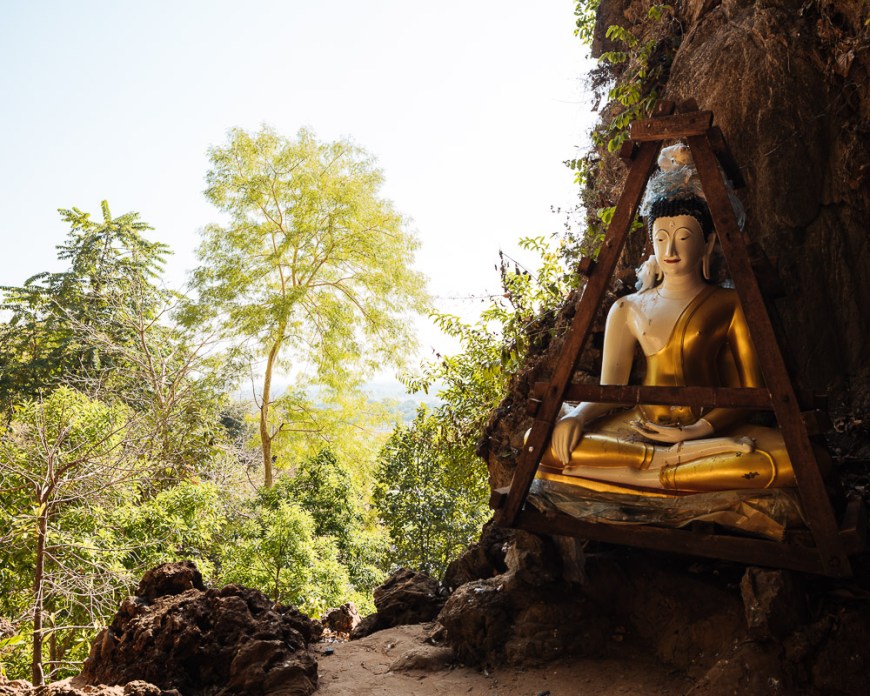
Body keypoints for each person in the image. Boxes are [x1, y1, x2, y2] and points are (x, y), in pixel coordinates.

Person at [539, 144, 795, 494]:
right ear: (651, 245)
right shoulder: (627, 308)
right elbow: (611, 389)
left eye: (683, 237)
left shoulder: (730, 303)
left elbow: (749, 392)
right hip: (639, 426)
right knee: (536, 443)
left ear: (706, 245)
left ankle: (638, 477)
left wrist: (696, 431)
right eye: (661, 238)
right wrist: (577, 416)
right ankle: (662, 470)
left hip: (708, 430)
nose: (670, 250)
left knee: (791, 460)